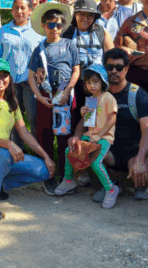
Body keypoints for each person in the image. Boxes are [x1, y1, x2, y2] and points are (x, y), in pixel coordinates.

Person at [0, 58, 56, 221]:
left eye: (3, 76)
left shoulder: (12, 103)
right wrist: (9, 143)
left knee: (43, 170)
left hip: (2, 158)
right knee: (4, 153)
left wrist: (46, 156)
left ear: (9, 79)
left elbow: (24, 133)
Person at [81, 48, 148, 202]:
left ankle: (140, 184)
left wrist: (141, 159)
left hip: (135, 152)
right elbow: (83, 123)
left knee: (141, 174)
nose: (114, 71)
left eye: (119, 67)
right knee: (86, 147)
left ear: (126, 69)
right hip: (110, 152)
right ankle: (111, 183)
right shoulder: (97, 94)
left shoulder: (138, 94)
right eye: (109, 67)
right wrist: (76, 138)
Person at [27, 2, 80, 195]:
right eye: (51, 25)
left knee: (65, 137)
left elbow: (76, 69)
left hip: (65, 97)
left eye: (59, 25)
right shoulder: (39, 48)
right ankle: (48, 175)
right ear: (43, 26)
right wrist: (40, 97)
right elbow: (31, 76)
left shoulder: (69, 45)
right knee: (45, 135)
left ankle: (66, 176)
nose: (55, 29)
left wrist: (68, 90)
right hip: (46, 97)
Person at [54, 64, 120, 209]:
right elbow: (88, 122)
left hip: (104, 137)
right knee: (69, 151)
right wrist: (84, 114)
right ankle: (69, 180)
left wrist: (100, 135)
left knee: (96, 162)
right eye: (88, 82)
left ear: (103, 81)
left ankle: (111, 189)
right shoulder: (90, 99)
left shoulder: (108, 97)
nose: (92, 85)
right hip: (89, 135)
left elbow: (112, 119)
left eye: (95, 81)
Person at [0, 0, 43, 146]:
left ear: (30, 10)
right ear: (12, 11)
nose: (19, 11)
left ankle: (38, 152)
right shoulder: (4, 31)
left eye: (23, 8)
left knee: (33, 118)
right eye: (16, 8)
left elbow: (43, 56)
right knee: (12, 119)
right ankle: (18, 152)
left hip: (30, 82)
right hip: (10, 83)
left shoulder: (38, 31)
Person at [61, 0, 114, 138]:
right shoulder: (66, 33)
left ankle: (92, 146)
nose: (86, 18)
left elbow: (110, 55)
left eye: (90, 15)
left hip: (97, 83)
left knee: (95, 118)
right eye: (82, 14)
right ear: (75, 15)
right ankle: (75, 148)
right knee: (76, 115)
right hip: (75, 83)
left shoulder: (101, 31)